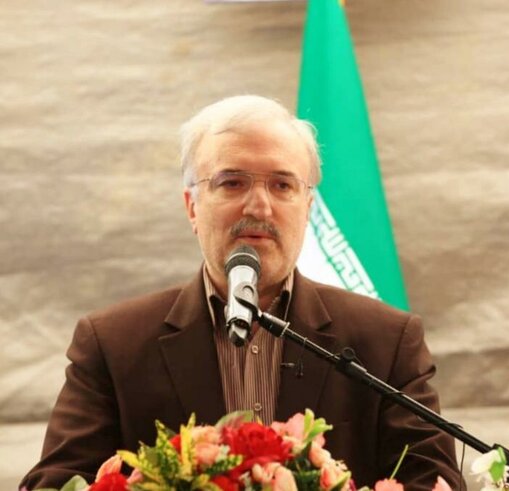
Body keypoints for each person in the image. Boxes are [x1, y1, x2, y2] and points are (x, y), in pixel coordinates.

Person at [20, 95, 463, 490]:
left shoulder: (386, 341)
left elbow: (434, 481)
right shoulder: (112, 344)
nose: (259, 206)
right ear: (192, 207)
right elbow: (56, 484)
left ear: (308, 208)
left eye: (282, 185)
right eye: (232, 182)